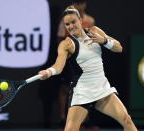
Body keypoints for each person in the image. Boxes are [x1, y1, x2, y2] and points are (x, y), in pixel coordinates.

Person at [38, 5, 137, 131]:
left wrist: (104, 41)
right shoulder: (66, 44)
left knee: (127, 120)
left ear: (80, 21)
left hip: (102, 89)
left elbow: (119, 48)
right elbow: (58, 66)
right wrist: (48, 72)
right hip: (82, 92)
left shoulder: (94, 31)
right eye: (67, 24)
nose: (71, 26)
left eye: (73, 22)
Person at [57, 0, 96, 128]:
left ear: (85, 4)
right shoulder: (66, 21)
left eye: (81, 3)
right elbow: (60, 39)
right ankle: (63, 119)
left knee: (86, 89)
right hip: (69, 61)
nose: (79, 6)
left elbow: (92, 40)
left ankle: (85, 119)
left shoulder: (90, 21)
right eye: (76, 3)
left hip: (85, 61)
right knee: (65, 89)